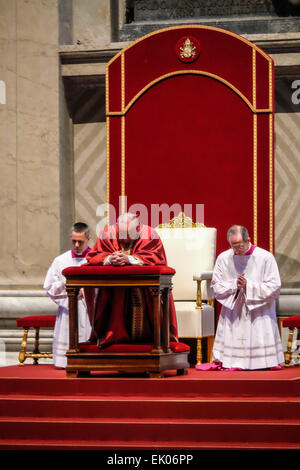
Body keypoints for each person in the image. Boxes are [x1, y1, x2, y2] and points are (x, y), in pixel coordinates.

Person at [197, 224, 284, 371]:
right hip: (234, 310)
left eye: (240, 246)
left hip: (259, 311)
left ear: (248, 240)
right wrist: (234, 285)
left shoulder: (265, 257)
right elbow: (216, 286)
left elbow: (274, 287)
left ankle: (263, 362)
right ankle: (232, 361)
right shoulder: (224, 258)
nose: (237, 250)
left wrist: (248, 286)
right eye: (233, 246)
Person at [84, 212, 178, 347]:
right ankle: (114, 340)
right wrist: (109, 259)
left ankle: (151, 342)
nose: (125, 239)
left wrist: (131, 259)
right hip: (114, 290)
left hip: (146, 290)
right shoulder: (108, 233)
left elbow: (157, 259)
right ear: (117, 228)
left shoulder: (149, 235)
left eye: (129, 235)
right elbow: (94, 256)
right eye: (122, 234)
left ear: (137, 228)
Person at [44, 222, 92, 368]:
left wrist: (86, 291)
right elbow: (49, 286)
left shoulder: (95, 260)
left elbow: (106, 286)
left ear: (88, 239)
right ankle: (64, 361)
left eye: (80, 242)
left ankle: (90, 360)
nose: (76, 245)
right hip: (68, 308)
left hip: (88, 309)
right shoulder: (60, 260)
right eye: (74, 241)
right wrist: (68, 288)